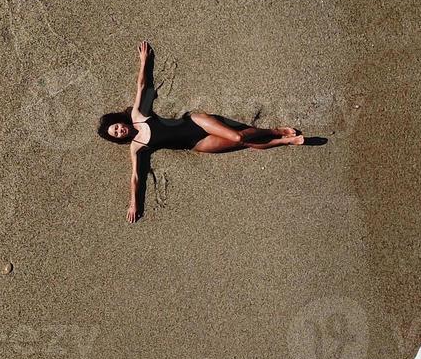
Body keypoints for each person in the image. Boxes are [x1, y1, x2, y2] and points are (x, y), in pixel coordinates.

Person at [98, 41, 306, 223]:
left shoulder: (137, 115)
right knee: (244, 144)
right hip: (197, 145)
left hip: (196, 122)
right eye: (116, 133)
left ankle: (275, 130)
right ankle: (284, 141)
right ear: (118, 138)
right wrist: (134, 204)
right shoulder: (137, 147)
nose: (120, 130)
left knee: (238, 135)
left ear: (119, 121)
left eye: (116, 126)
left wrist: (144, 61)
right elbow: (136, 177)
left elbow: (142, 86)